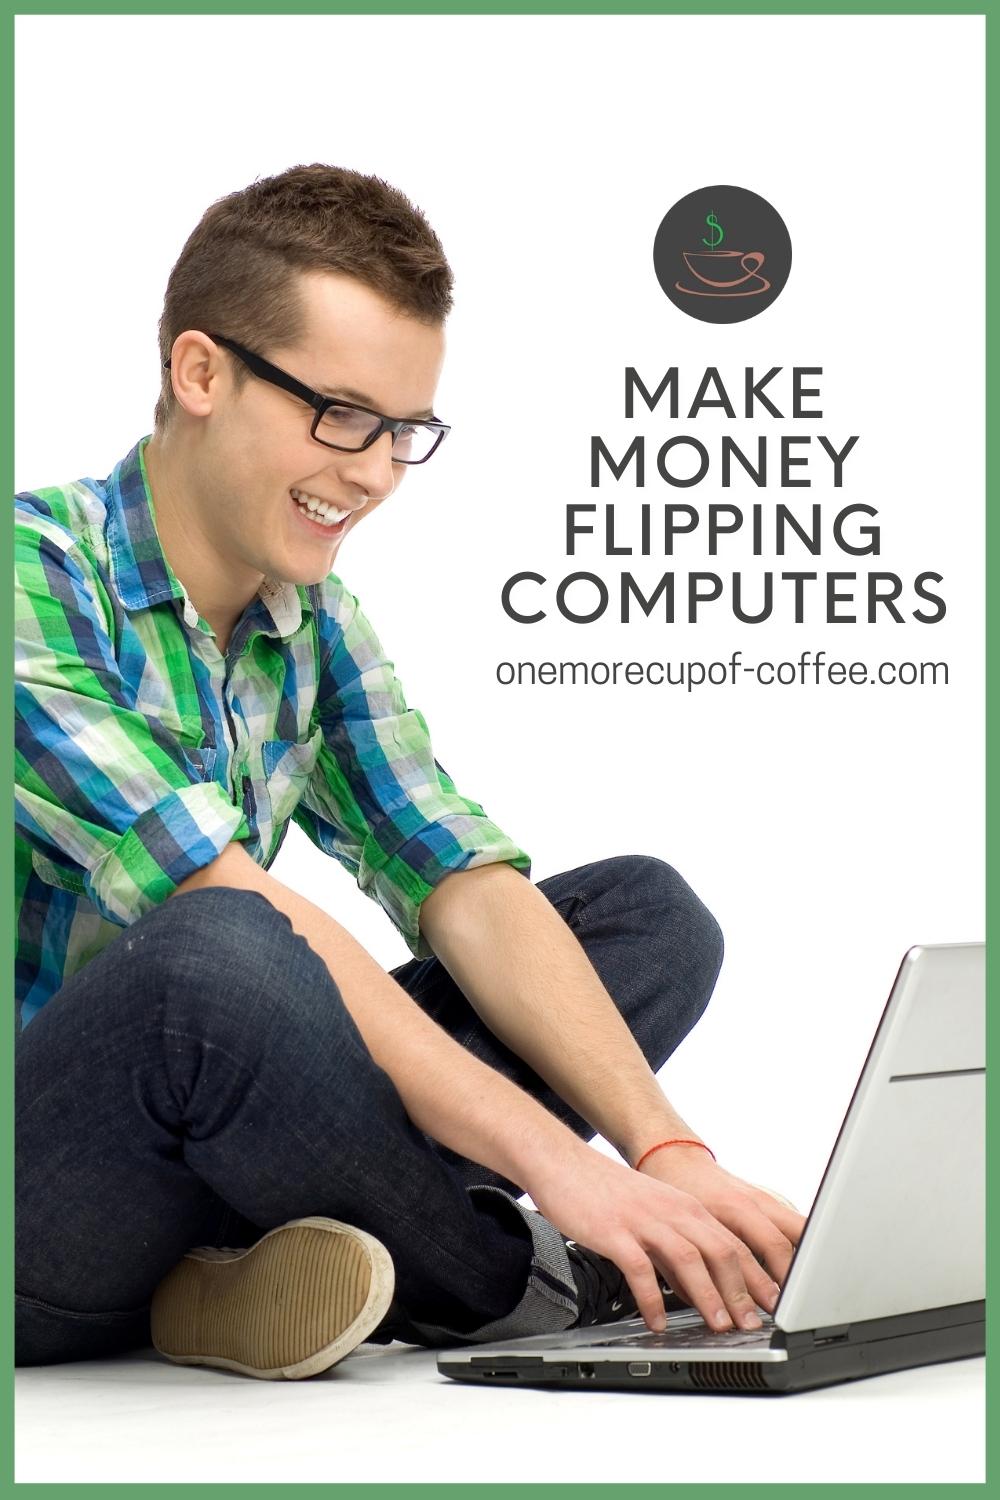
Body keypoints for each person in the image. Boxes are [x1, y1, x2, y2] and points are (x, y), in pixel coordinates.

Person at [14, 163, 804, 1381]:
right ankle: (516, 1274)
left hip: (238, 1141)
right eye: (341, 415)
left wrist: (665, 1158)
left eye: (403, 432)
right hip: (48, 1191)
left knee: (643, 916)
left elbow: (456, 875)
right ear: (201, 372)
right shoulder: (34, 578)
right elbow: (227, 914)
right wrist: (566, 1177)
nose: (375, 473)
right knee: (216, 959)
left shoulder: (311, 617)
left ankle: (258, 1268)